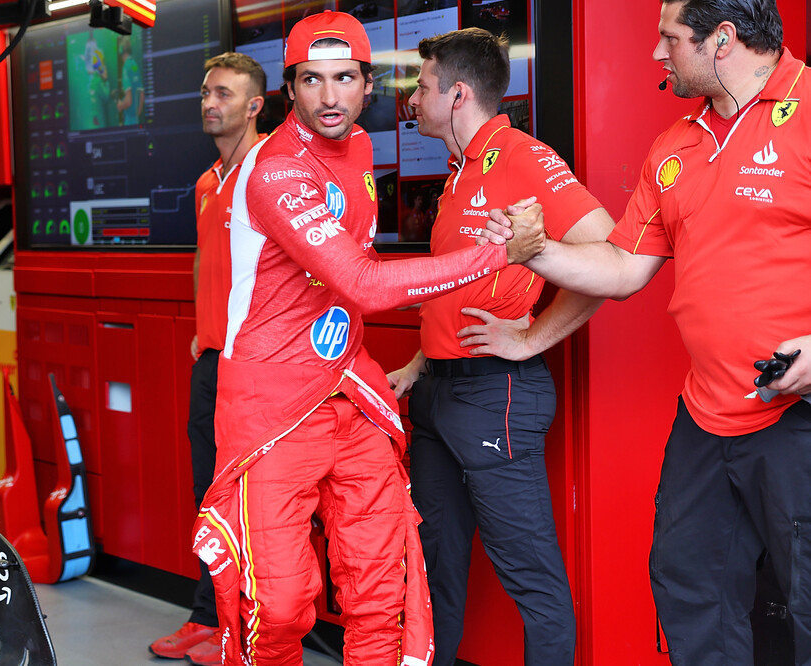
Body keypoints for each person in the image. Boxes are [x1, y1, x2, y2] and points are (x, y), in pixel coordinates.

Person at [190, 11, 545, 665]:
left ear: (367, 83)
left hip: (347, 391)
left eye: (345, 78)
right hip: (271, 408)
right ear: (289, 89)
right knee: (281, 605)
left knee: (383, 592)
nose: (331, 98)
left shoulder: (356, 148)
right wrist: (501, 253)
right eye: (313, 81)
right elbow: (363, 283)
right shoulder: (275, 172)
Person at [484, 0, 811, 662]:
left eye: (670, 38)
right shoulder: (676, 146)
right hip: (707, 414)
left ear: (723, 39)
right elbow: (624, 266)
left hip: (796, 413)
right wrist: (537, 250)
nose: (658, 54)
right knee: (691, 585)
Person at [387, 27, 615, 665]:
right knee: (435, 570)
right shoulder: (456, 172)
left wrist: (533, 337)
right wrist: (418, 361)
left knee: (531, 576)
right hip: (437, 394)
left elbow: (612, 254)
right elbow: (452, 290)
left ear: (457, 93)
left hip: (496, 393)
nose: (412, 96)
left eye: (423, 84)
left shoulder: (522, 157)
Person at [148, 52, 267, 666]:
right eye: (204, 93)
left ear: (254, 106)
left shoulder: (271, 170)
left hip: (260, 365)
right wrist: (203, 330)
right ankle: (209, 616)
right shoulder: (206, 182)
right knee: (208, 493)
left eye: (222, 94)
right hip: (214, 358)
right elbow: (205, 260)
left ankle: (248, 627)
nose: (208, 103)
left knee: (253, 500)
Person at [116, 35, 144, 126]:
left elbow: (128, 102)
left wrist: (120, 105)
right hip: (136, 119)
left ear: (121, 51)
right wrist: (136, 115)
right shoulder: (134, 65)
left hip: (129, 120)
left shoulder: (126, 68)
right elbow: (142, 95)